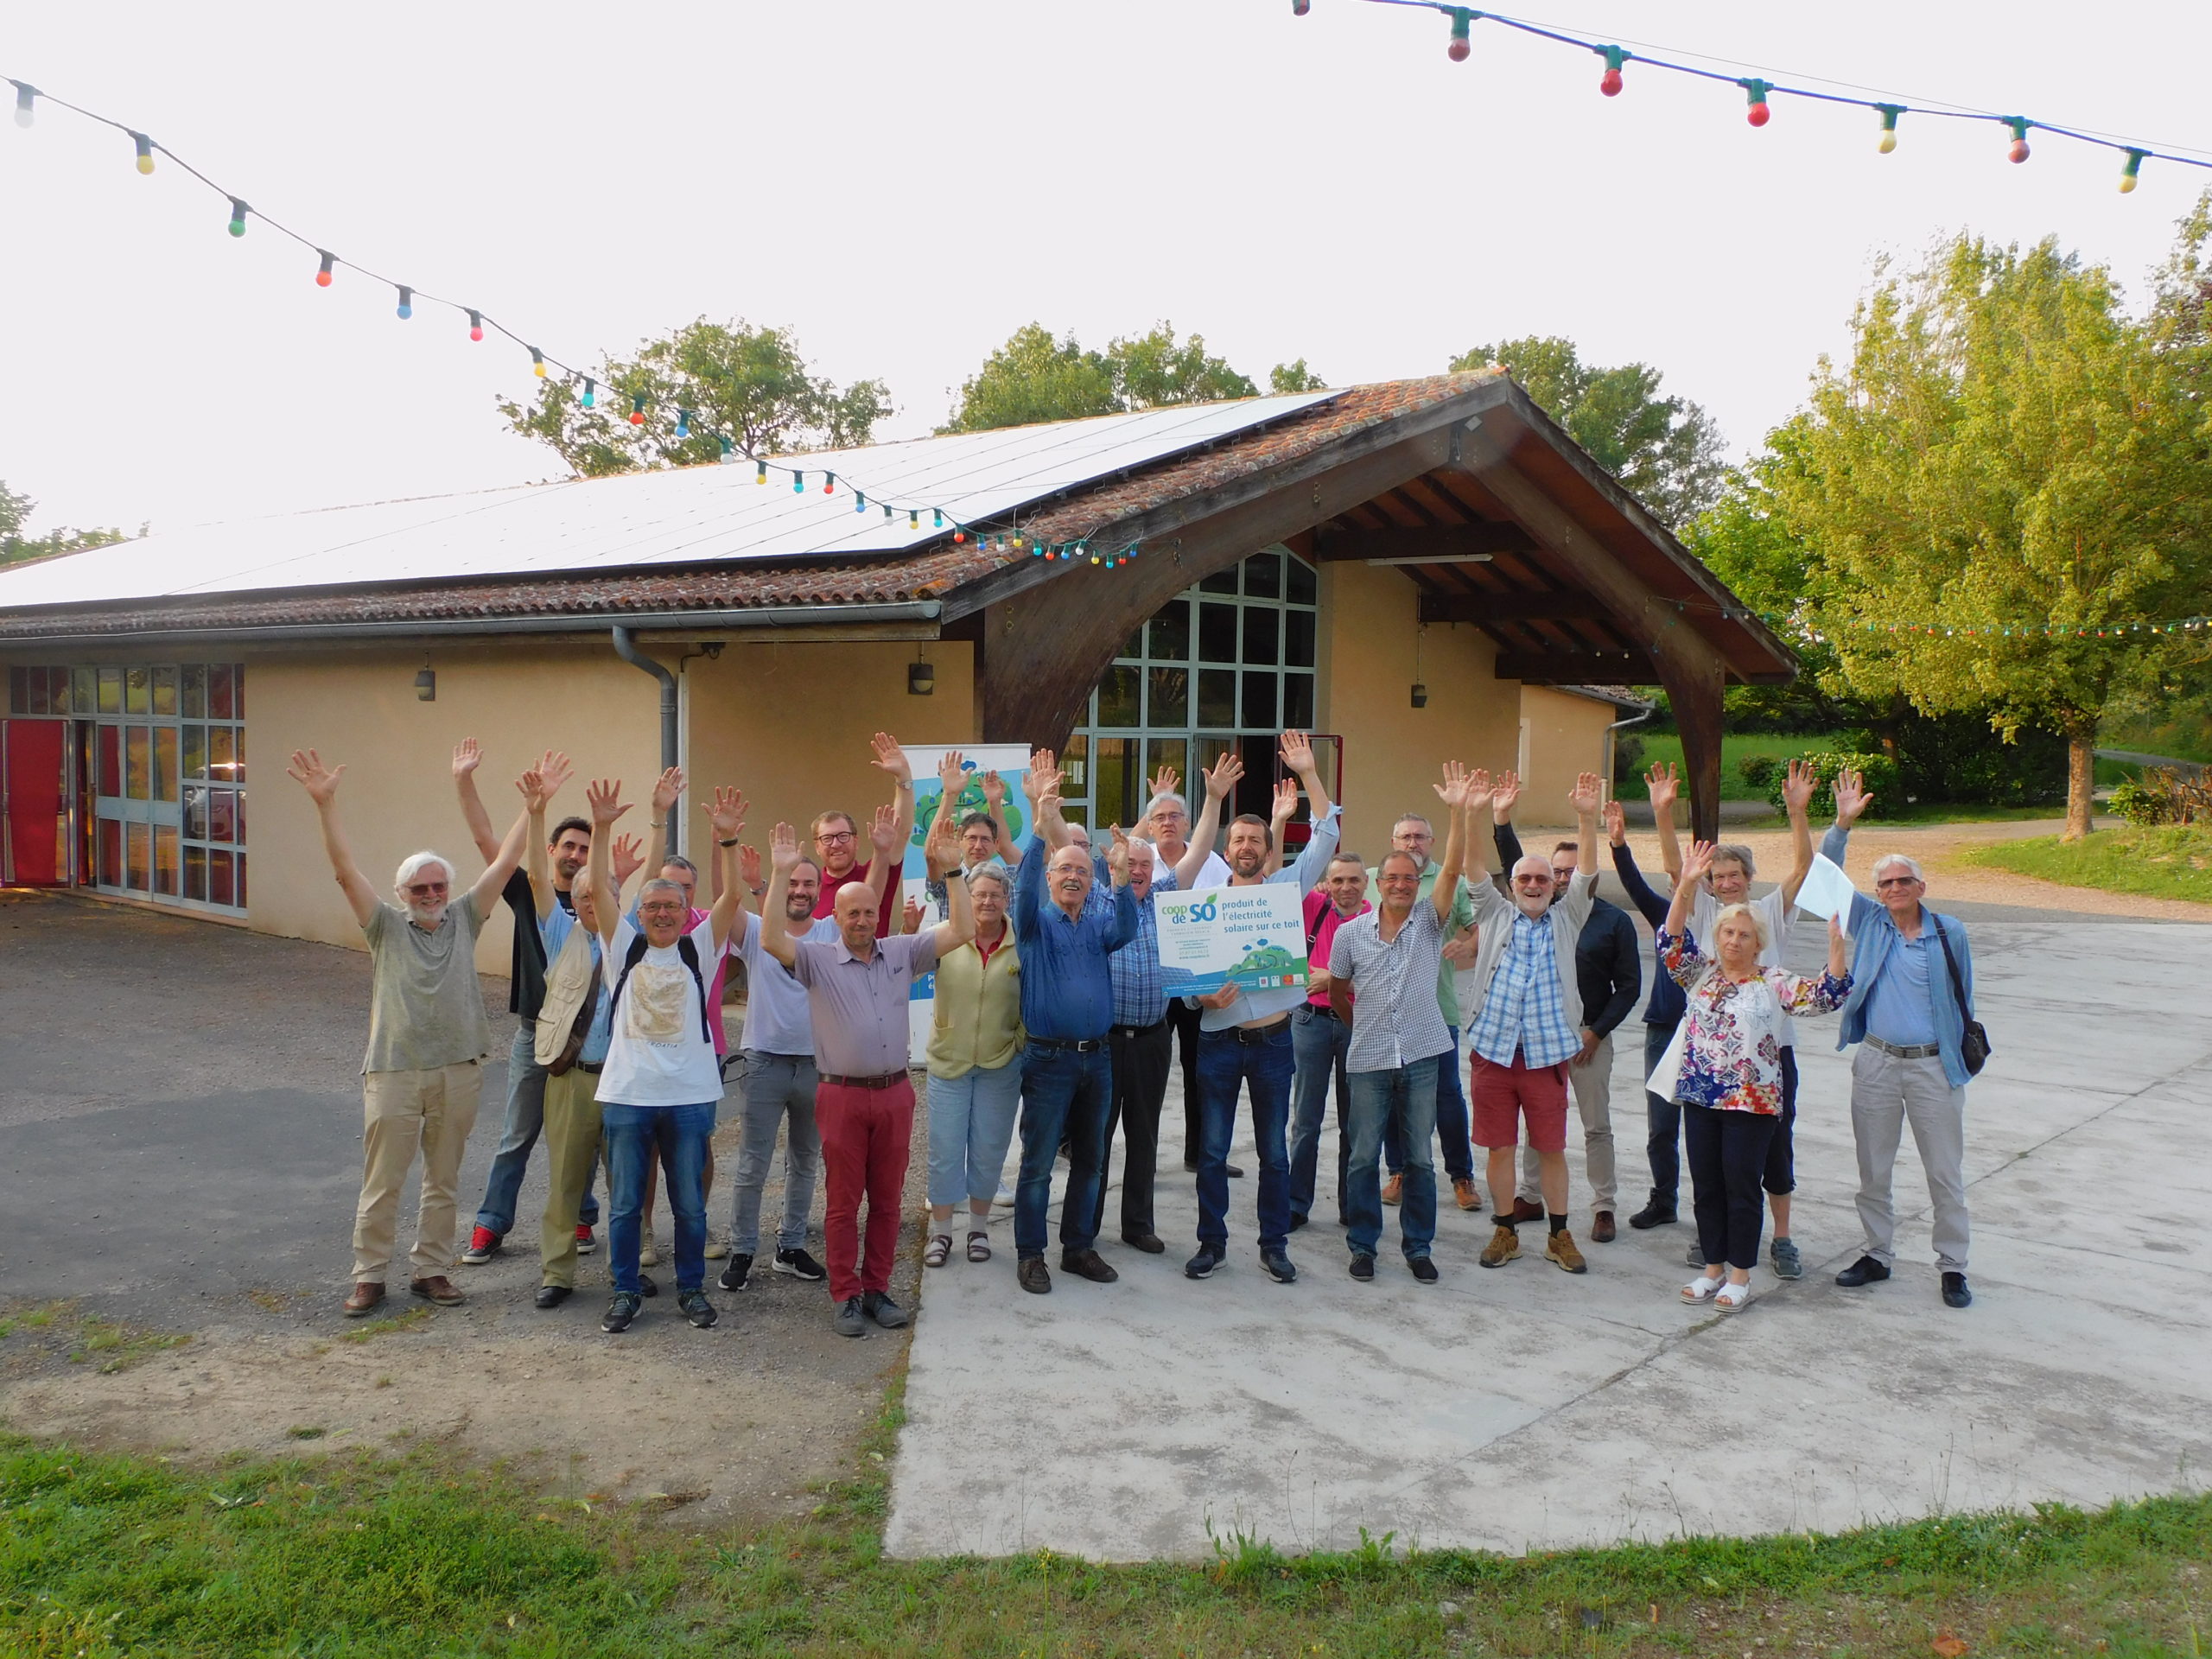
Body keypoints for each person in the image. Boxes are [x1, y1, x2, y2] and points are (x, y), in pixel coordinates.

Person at [286, 747, 531, 1317]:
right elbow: (345, 871)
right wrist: (326, 806)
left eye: (437, 886)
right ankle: (370, 1276)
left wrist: (532, 808)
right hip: (395, 1070)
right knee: (384, 1181)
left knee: (443, 1180)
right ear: (401, 895)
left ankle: (431, 1270)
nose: (430, 896)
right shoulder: (385, 929)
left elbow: (507, 860)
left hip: (458, 1069)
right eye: (419, 889)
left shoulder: (467, 918)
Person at [757, 810, 972, 1337]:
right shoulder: (817, 959)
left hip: (894, 1093)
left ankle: (877, 1289)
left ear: (880, 913)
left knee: (888, 1200)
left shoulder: (902, 951)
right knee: (843, 1201)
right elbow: (769, 940)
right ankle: (845, 1295)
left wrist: (954, 872)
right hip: (842, 1096)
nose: (860, 920)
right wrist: (781, 873)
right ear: (839, 914)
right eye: (851, 912)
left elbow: (964, 928)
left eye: (868, 912)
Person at [582, 776, 748, 1335]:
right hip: (628, 1096)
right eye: (651, 905)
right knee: (627, 1206)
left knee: (692, 1208)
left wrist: (725, 842)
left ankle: (692, 1290)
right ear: (640, 911)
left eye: (670, 906)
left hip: (690, 1096)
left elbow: (731, 899)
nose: (660, 913)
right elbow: (604, 894)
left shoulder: (700, 947)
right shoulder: (622, 945)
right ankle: (625, 1292)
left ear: (685, 912)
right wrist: (602, 828)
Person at [1656, 839, 1852, 1313]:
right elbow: (1669, 942)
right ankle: (1712, 1270)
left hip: (1752, 1102)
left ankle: (1740, 1275)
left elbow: (1827, 995)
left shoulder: (1775, 981)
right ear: (1717, 938)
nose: (1734, 942)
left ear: (1758, 942)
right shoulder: (1701, 975)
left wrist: (1836, 946)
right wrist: (1684, 885)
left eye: (1744, 936)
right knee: (1707, 1185)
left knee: (1742, 1187)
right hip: (1703, 1097)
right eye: (1727, 934)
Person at [1175, 733, 1343, 1285]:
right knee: (1214, 1153)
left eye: (1256, 840)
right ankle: (1212, 1244)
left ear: (1269, 852)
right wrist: (1198, 996)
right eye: (1239, 839)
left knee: (1274, 1154)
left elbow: (1327, 834)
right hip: (1219, 1042)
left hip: (1274, 1044)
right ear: (1227, 851)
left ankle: (1274, 1245)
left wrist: (1310, 774)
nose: (1247, 847)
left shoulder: (1287, 890)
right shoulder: (1203, 904)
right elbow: (1181, 976)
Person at [1649, 760, 1820, 1278]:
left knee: (1775, 1148)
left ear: (1748, 878)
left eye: (1733, 875)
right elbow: (1679, 877)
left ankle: (1782, 1238)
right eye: (1718, 876)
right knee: (1714, 1155)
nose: (1725, 883)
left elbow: (1804, 870)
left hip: (1770, 1056)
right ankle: (1715, 1241)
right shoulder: (1703, 913)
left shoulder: (1769, 910)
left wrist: (1798, 814)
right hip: (1712, 1059)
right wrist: (1662, 813)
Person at [718, 812, 893, 1294]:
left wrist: (879, 855)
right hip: (764, 1061)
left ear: (822, 892)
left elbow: (868, 900)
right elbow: (730, 898)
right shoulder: (756, 930)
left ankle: (791, 1246)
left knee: (805, 1161)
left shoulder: (828, 935)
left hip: (818, 1067)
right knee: (753, 1163)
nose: (799, 889)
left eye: (807, 883)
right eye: (792, 881)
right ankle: (742, 1249)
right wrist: (732, 844)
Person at [1823, 770, 1979, 1310]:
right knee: (1874, 1169)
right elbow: (1826, 878)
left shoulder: (1947, 931)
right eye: (1885, 883)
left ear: (1921, 887)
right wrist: (1842, 824)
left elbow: (1964, 1000)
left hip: (1935, 1067)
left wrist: (1958, 1058)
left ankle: (1953, 1267)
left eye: (1902, 882)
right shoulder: (1868, 922)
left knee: (1944, 1173)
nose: (1893, 890)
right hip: (1878, 1064)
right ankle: (1877, 1255)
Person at [452, 742, 601, 1267]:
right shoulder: (525, 889)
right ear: (554, 847)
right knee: (517, 1134)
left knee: (581, 1136)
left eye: (586, 849)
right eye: (569, 846)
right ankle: (491, 1225)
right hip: (535, 1033)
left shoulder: (599, 899)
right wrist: (464, 781)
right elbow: (483, 837)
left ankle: (583, 1214)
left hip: (586, 1038)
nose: (577, 856)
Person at [1329, 763, 1478, 1283]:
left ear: (1419, 883)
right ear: (1378, 882)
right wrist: (1361, 1025)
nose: (1398, 885)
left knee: (1418, 1159)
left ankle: (1418, 1247)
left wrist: (1458, 811)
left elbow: (1455, 871)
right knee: (1363, 1157)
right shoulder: (1350, 934)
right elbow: (1338, 992)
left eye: (1408, 879)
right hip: (1367, 1059)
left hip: (1420, 1056)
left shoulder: (1429, 925)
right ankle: (1364, 1246)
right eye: (1390, 878)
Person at [1005, 750, 1140, 1294]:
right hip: (1048, 1059)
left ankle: (1078, 1248)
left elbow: (1128, 928)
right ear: (1051, 877)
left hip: (1097, 1058)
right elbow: (1025, 884)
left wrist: (1124, 875)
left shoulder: (1102, 924)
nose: (1074, 879)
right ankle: (1031, 1254)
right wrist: (1041, 825)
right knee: (1038, 1163)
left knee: (1091, 1159)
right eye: (1066, 871)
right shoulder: (1034, 923)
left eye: (1083, 873)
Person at [1459, 772, 1603, 1274]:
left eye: (1543, 878)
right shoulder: (1495, 914)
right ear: (1513, 885)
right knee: (1500, 1147)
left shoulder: (1568, 918)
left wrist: (1587, 818)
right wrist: (1473, 812)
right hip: (1494, 1052)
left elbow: (1585, 875)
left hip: (1545, 1056)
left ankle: (1559, 1235)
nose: (1536, 885)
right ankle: (1506, 1231)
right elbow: (1474, 867)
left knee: (1550, 1150)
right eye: (1525, 878)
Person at [1491, 798, 1643, 1244]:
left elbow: (1630, 986)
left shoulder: (1612, 923)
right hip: (1541, 1039)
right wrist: (1500, 818)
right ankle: (1530, 1196)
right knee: (1540, 1127)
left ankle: (1603, 1206)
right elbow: (1513, 861)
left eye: (1570, 872)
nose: (1561, 879)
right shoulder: (1539, 916)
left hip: (1590, 1038)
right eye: (1557, 872)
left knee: (1596, 1126)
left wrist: (1595, 1033)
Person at [530, 837, 641, 1308]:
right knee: (565, 1183)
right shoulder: (560, 935)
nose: (595, 903)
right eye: (585, 897)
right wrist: (536, 812)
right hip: (573, 1078)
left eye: (605, 894)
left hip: (623, 1083)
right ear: (573, 903)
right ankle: (557, 1273)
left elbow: (650, 879)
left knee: (626, 1185)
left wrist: (657, 821)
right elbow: (536, 877)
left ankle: (627, 1273)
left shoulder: (630, 936)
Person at [1363, 810, 1481, 1211]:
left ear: (1432, 842)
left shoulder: (1453, 884)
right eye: (1405, 837)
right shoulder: (1372, 880)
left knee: (1446, 1097)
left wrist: (1469, 947)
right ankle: (1397, 1171)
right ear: (1393, 842)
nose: (1412, 843)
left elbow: (1484, 927)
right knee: (1395, 1099)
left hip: (1437, 1010)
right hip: (1383, 1015)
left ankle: (1461, 1176)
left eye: (1420, 836)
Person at [924, 861, 1024, 1268]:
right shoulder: (943, 937)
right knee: (945, 1151)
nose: (986, 902)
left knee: (988, 1150)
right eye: (979, 894)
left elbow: (1034, 996)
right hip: (949, 1062)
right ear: (966, 897)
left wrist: (1019, 1041)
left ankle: (979, 1229)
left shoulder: (1022, 942)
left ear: (1006, 899)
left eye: (995, 895)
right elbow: (898, 968)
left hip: (1001, 1065)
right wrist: (903, 930)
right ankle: (942, 1233)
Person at [1601, 795, 1693, 1233]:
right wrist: (1618, 844)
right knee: (1661, 1127)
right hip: (1663, 1030)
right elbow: (1636, 886)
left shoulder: (1724, 922)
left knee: (1704, 1130)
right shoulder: (1665, 914)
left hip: (1708, 1037)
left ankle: (1713, 1204)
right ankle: (1664, 1199)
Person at [1143, 766, 1236, 1179]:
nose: (1167, 823)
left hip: (1199, 982)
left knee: (1203, 1073)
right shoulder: (1140, 862)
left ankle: (1201, 1154)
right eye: (1159, 817)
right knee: (1149, 1079)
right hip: (1153, 984)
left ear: (1188, 823)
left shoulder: (1213, 865)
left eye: (1174, 816)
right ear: (1149, 825)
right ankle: (1143, 1162)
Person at [1289, 853, 1370, 1231]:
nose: (1345, 888)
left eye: (1353, 880)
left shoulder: (1376, 919)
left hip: (1358, 1022)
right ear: (1328, 883)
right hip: (1311, 1021)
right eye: (1337, 880)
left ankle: (1351, 1206)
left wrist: (1335, 982)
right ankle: (1295, 1204)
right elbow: (1282, 884)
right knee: (1306, 1120)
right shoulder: (1313, 906)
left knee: (1354, 1123)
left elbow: (1384, 981)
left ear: (1366, 883)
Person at [810, 731, 917, 940]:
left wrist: (903, 779)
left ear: (856, 841)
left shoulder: (879, 867)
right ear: (817, 846)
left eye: (843, 836)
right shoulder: (808, 888)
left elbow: (900, 831)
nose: (836, 844)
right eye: (827, 838)